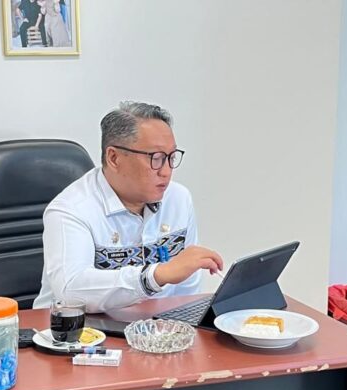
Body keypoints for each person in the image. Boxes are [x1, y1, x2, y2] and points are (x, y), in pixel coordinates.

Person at [33, 101, 223, 313]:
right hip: (76, 328)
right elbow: (71, 292)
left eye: (171, 157)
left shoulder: (178, 199)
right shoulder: (71, 209)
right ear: (114, 158)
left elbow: (186, 293)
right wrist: (155, 276)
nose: (166, 171)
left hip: (155, 327)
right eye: (156, 158)